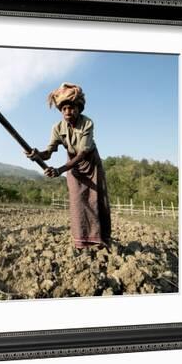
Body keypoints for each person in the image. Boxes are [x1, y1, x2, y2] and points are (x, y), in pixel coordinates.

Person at [25, 82, 111, 250]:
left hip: (90, 163)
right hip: (73, 165)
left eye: (71, 108)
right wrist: (37, 154)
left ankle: (102, 240)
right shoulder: (57, 128)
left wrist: (59, 170)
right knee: (78, 201)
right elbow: (49, 152)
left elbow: (83, 153)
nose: (67, 112)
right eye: (63, 109)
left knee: (98, 199)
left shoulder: (87, 123)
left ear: (78, 108)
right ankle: (82, 242)